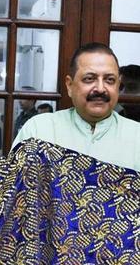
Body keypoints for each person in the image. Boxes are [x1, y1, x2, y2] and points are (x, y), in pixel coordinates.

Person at [13, 42, 140, 171]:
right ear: (69, 85)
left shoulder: (137, 136)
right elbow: (15, 187)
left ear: (118, 86)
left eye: (109, 80)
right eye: (89, 79)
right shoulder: (39, 130)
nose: (101, 89)